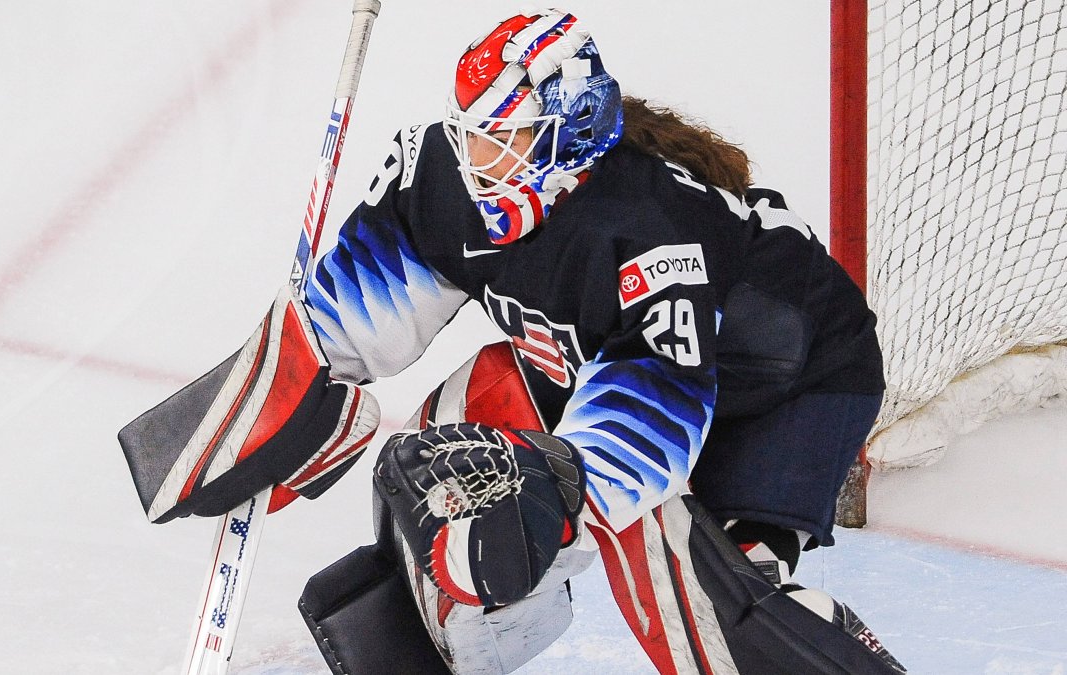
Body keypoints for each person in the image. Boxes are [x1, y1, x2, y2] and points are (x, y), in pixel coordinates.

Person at [286, 8, 904, 674]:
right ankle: (442, 652)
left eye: (503, 139)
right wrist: (289, 376)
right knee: (448, 447)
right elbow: (360, 304)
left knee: (713, 594)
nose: (476, 162)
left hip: (791, 381)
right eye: (473, 136)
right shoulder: (449, 176)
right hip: (646, 357)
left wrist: (558, 486)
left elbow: (654, 403)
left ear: (565, 136)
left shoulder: (647, 227)